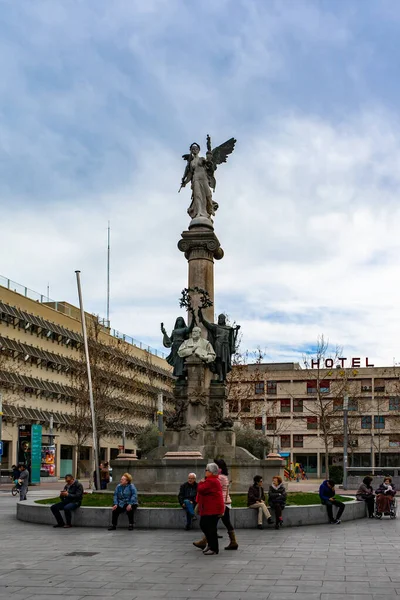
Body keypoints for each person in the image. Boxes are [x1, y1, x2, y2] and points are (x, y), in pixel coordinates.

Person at [193, 463, 224, 556]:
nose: (205, 472)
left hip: (212, 509)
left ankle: (214, 548)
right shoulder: (211, 480)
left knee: (210, 528)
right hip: (209, 508)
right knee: (205, 525)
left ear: (211, 472)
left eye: (206, 470)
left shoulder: (211, 481)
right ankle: (210, 545)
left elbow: (201, 489)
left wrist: (201, 482)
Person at [214, 458, 238, 550]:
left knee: (212, 523)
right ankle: (233, 542)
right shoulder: (224, 476)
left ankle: (205, 541)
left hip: (222, 502)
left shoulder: (220, 477)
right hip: (225, 502)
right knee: (225, 522)